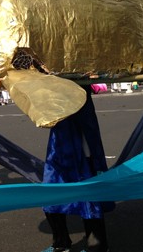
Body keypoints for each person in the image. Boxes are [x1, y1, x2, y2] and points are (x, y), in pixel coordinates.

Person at [42, 86, 113, 252]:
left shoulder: (81, 89)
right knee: (51, 194)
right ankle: (60, 243)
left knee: (89, 197)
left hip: (84, 147)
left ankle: (97, 246)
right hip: (60, 147)